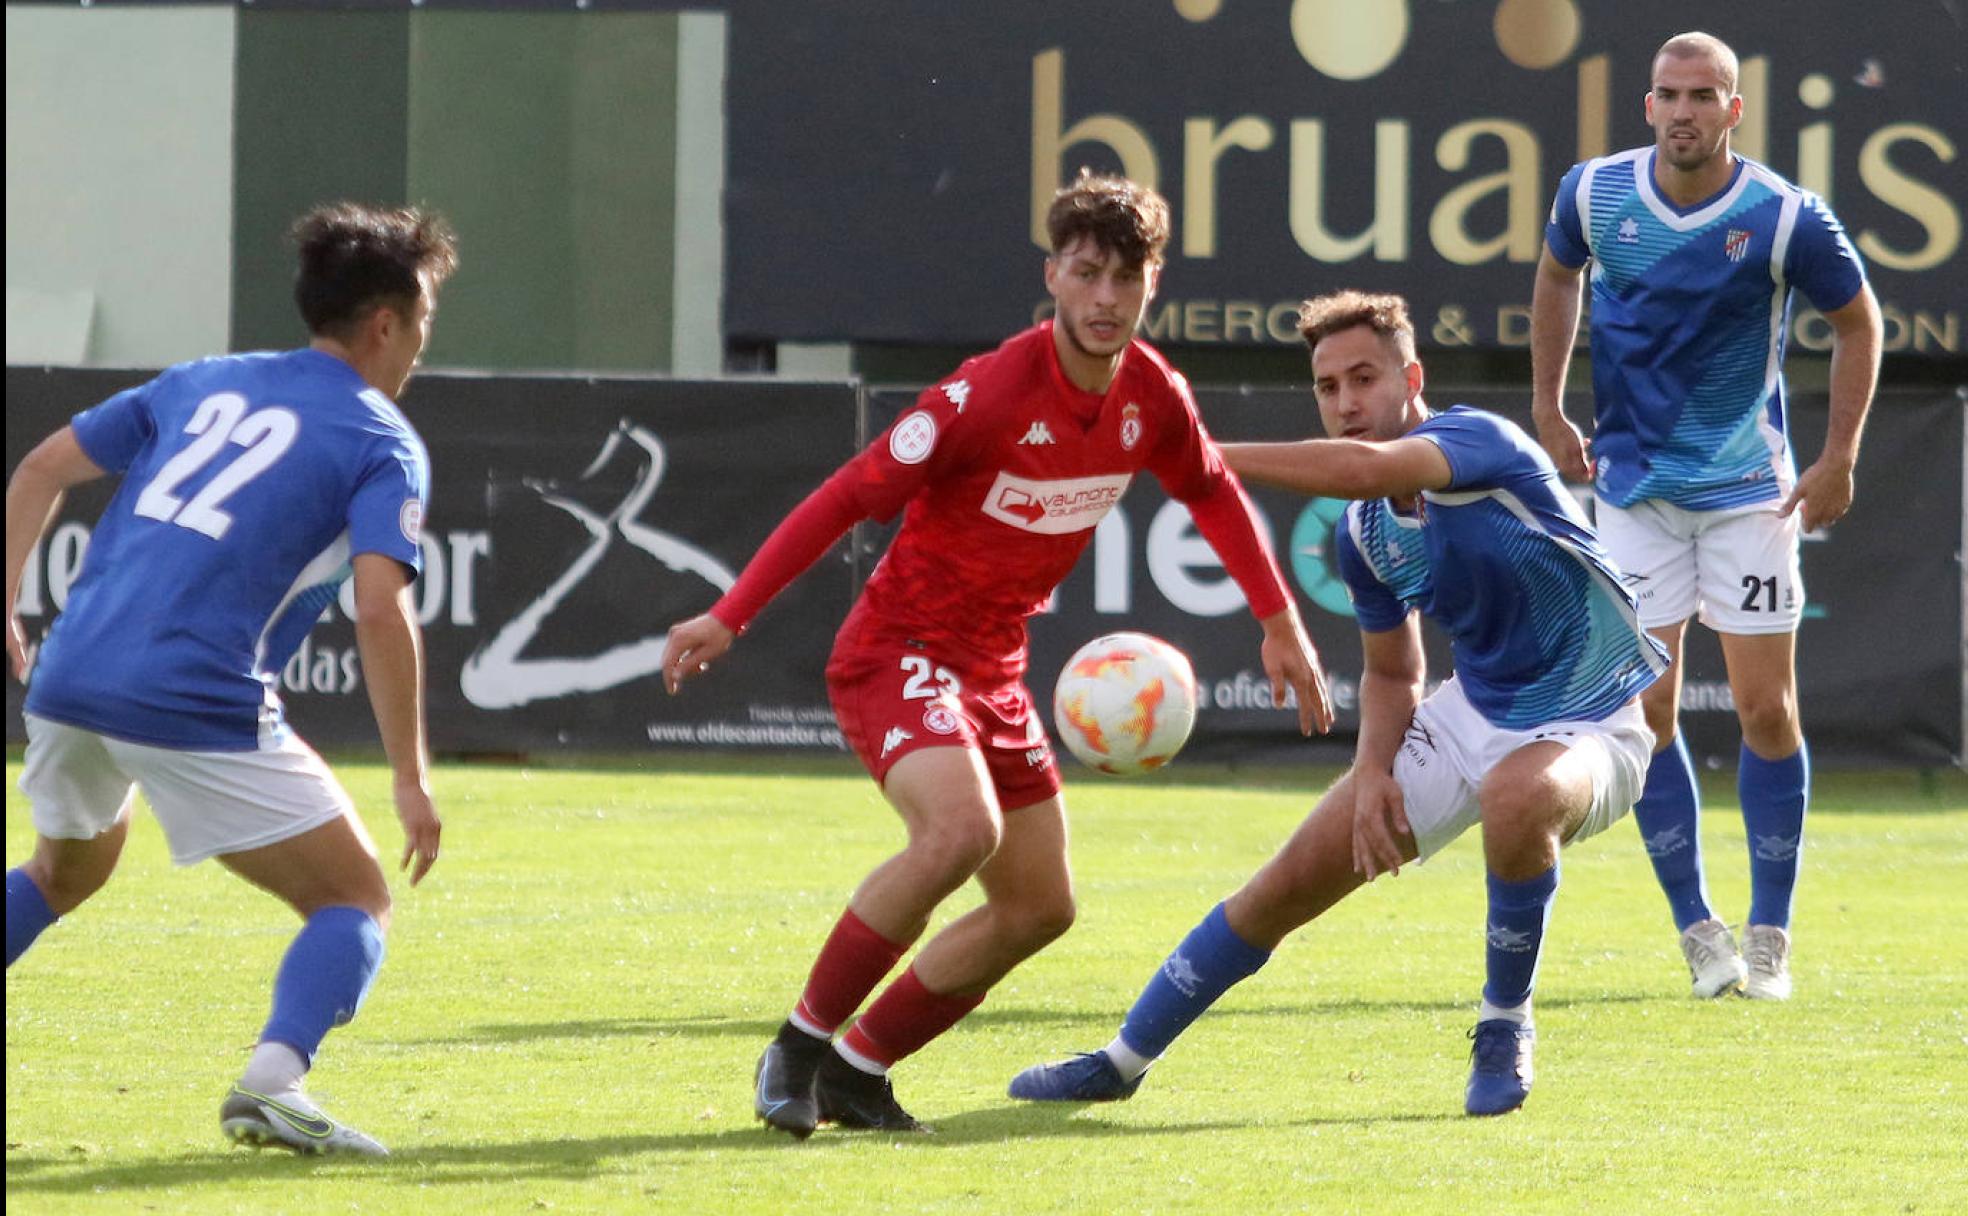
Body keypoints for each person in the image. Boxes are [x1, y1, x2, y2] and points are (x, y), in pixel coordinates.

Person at [660, 171, 1333, 1138]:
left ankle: (860, 1066)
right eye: (1089, 273)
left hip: (993, 668)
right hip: (898, 650)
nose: (1107, 299)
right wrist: (733, 612)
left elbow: (1214, 493)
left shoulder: (1153, 395)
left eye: (1127, 278)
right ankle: (800, 1047)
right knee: (956, 834)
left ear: (1154, 284)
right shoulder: (984, 394)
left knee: (1039, 906)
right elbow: (850, 495)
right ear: (1054, 275)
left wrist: (1280, 621)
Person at [1009, 290, 1667, 1117]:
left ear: (1411, 377)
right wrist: (1370, 775)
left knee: (1518, 797)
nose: (1347, 402)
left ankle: (1504, 1024)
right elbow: (1394, 674)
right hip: (1475, 714)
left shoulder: (1479, 443)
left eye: (1365, 377)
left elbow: (1363, 466)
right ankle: (1122, 1059)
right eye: (1328, 387)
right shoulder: (1363, 534)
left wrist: (1184, 450)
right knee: (1280, 888)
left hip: (1595, 718)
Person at [5, 203, 457, 1156]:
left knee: (63, 872)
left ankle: (275, 1084)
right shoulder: (383, 440)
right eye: (422, 320)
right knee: (357, 898)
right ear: (386, 323)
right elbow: (381, 609)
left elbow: (42, 467)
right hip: (191, 695)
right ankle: (276, 1083)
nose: (421, 343)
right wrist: (410, 776)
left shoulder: (204, 380)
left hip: (71, 674)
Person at [1530, 31, 1882, 1000]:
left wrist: (1840, 454)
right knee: (1647, 712)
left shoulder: (1782, 215)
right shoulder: (1591, 193)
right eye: (1668, 93)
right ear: (1647, 105)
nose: (1684, 109)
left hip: (1747, 497)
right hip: (1635, 496)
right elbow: (1557, 276)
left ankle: (1770, 935)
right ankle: (1699, 930)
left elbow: (1860, 322)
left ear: (1734, 110)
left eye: (1704, 95)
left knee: (1767, 708)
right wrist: (1550, 405)